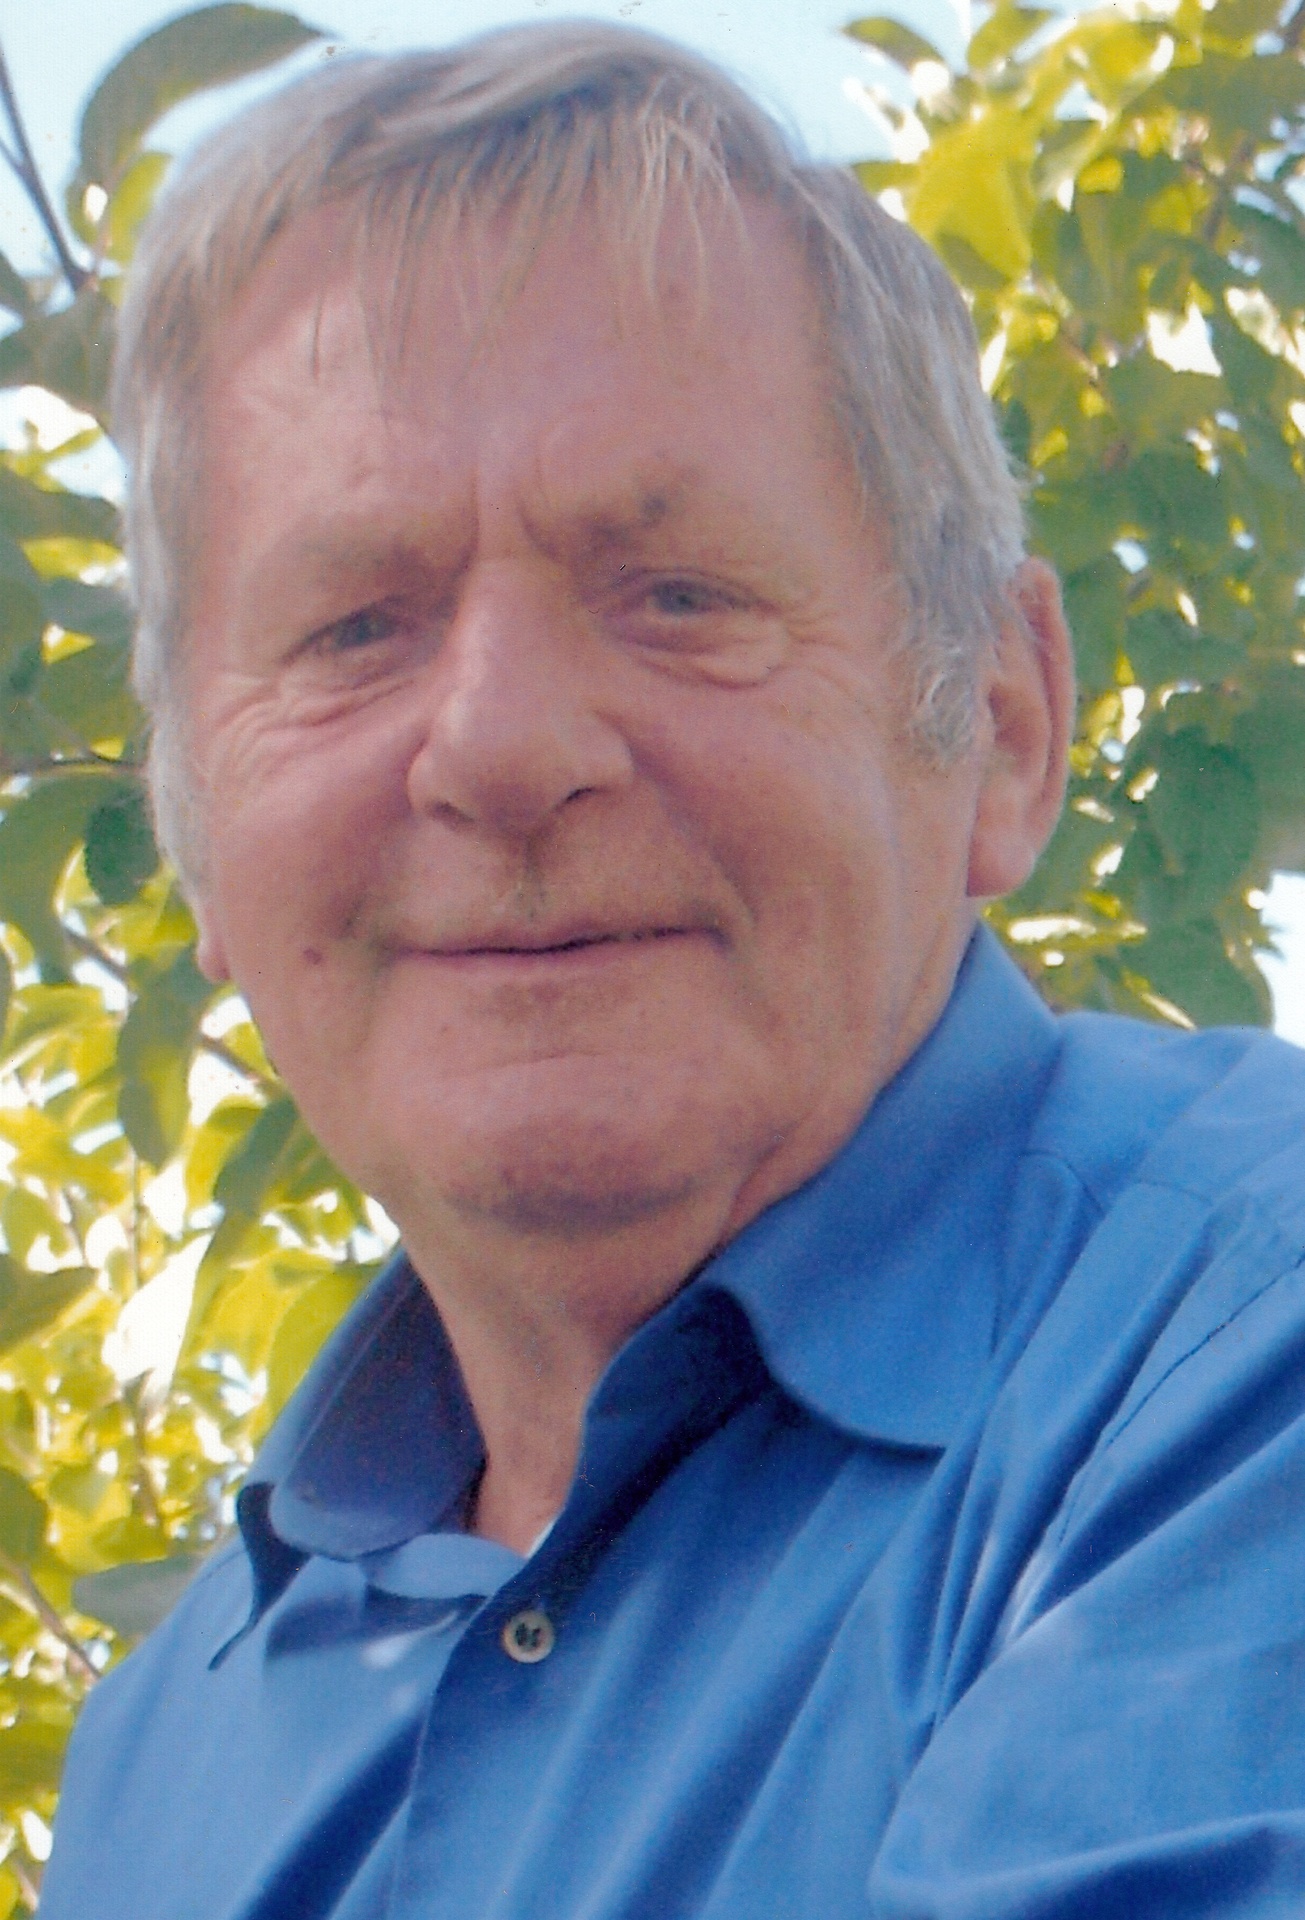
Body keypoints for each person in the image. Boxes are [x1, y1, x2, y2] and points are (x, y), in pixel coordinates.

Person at [38, 20, 1305, 1920]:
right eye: (355, 626)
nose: (498, 745)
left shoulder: (1241, 1350)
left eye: (680, 594)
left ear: (1001, 725)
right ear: (195, 830)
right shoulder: (162, 1752)